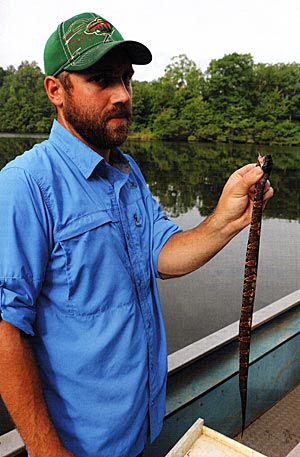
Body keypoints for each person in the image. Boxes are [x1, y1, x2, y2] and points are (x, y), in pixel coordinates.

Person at [0, 12, 273, 457]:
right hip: (77, 446)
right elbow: (5, 331)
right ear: (56, 90)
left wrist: (227, 217)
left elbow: (162, 253)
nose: (122, 95)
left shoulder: (126, 171)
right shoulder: (25, 185)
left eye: (127, 80)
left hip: (138, 430)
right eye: (101, 80)